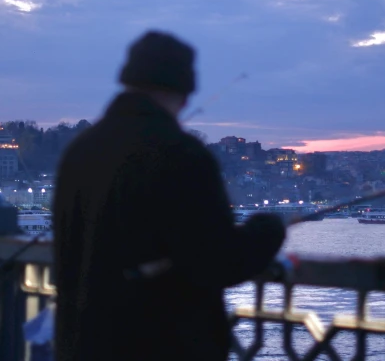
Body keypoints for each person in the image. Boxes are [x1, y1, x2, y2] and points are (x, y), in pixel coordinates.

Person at [53, 30, 287, 361]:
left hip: (80, 344)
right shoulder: (180, 154)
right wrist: (268, 230)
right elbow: (215, 261)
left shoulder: (79, 152)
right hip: (158, 344)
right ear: (185, 91)